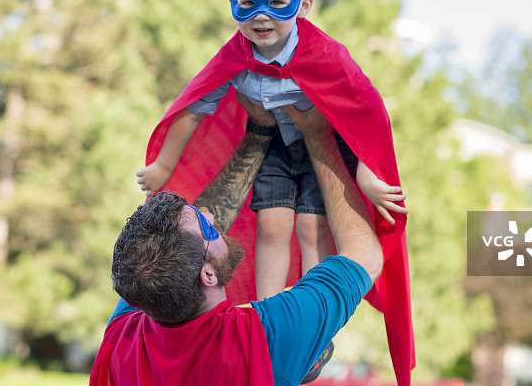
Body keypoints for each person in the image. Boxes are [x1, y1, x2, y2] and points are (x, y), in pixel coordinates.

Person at [136, 0, 406, 301]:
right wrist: (164, 166)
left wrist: (368, 174)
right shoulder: (235, 55)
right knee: (272, 224)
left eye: (277, 3)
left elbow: (365, 108)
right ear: (233, 2)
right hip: (274, 147)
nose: (261, 16)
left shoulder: (325, 54)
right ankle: (266, 309)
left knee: (313, 226)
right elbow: (193, 105)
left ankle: (314, 309)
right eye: (247, 3)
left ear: (304, 4)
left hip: (322, 152)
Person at [91, 104, 383, 386]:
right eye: (206, 226)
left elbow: (176, 252)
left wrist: (258, 135)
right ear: (207, 275)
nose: (209, 214)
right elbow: (365, 258)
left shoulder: (123, 340)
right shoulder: (264, 339)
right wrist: (319, 136)